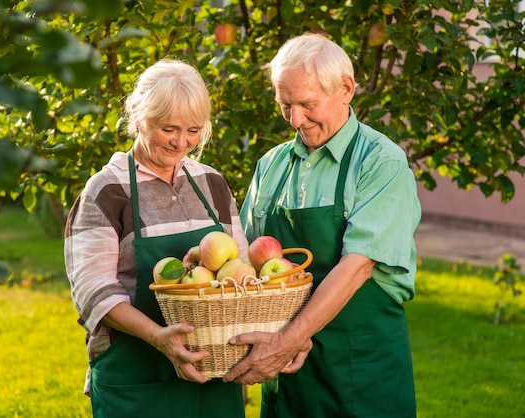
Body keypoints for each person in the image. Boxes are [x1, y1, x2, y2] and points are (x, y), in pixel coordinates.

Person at [224, 33, 421, 418]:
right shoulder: (272, 165)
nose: (296, 119)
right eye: (286, 105)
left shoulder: (381, 163)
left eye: (308, 104)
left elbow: (358, 267)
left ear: (346, 89)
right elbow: (246, 262)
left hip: (360, 369)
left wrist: (287, 341)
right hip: (285, 371)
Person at [64, 59, 248, 418]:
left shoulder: (212, 184)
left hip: (211, 375)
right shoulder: (107, 190)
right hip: (137, 379)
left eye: (193, 130)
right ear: (140, 117)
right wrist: (159, 338)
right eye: (169, 129)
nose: (182, 142)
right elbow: (93, 293)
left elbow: (239, 269)